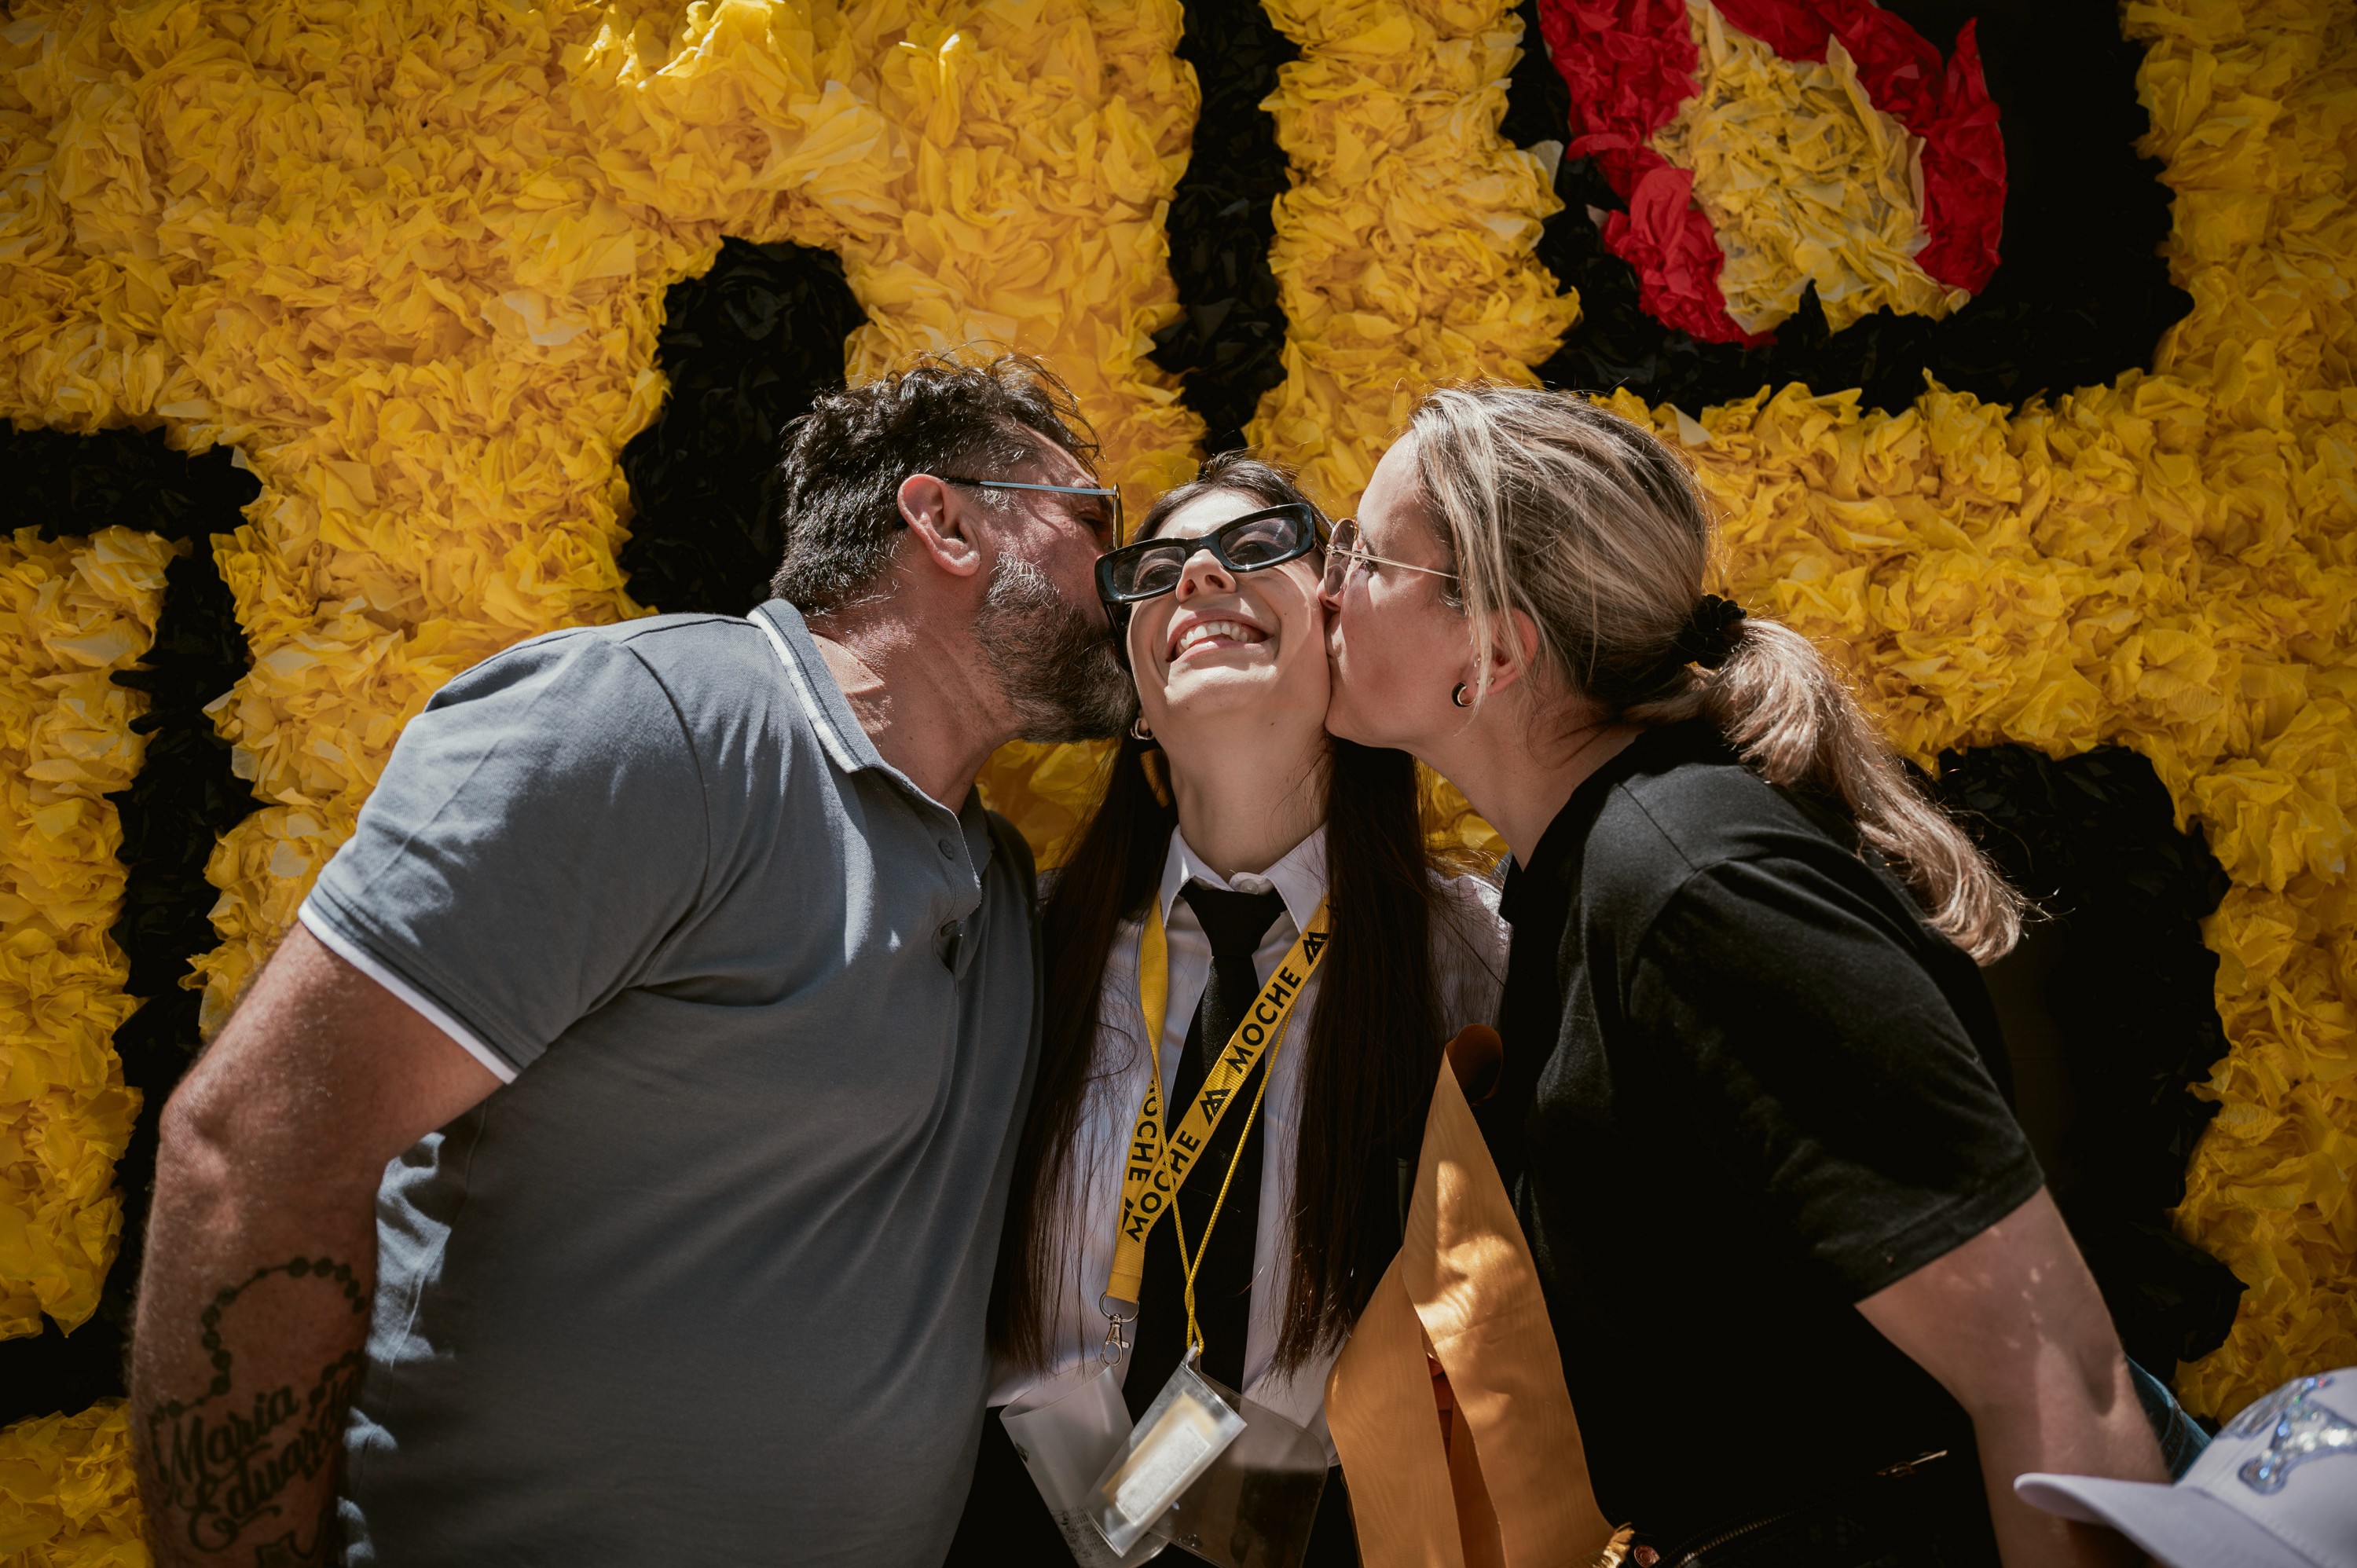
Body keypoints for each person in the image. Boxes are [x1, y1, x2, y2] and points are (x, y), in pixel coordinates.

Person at [128, 355, 1135, 1568]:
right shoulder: (654, 728)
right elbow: (250, 1150)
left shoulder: (1006, 884)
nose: (1125, 573)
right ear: (947, 522)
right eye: (1094, 521)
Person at [1318, 383, 2168, 1567]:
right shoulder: (1593, 874)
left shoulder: (1692, 889)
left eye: (1365, 556)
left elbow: (2051, 1365)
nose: (1326, 586)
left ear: (1494, 650)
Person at [946, 455, 1509, 1565]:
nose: (1200, 575)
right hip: (1025, 1524)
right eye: (1157, 571)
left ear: (1339, 630)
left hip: (1330, 1537)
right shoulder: (1026, 942)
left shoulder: (1470, 959)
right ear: (1136, 691)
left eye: (1256, 548)